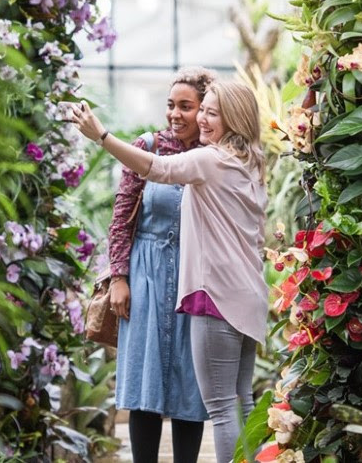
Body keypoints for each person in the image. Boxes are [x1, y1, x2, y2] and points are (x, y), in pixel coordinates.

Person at [71, 81, 269, 463]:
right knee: (241, 402)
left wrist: (102, 136)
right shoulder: (252, 162)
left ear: (234, 119)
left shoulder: (211, 160)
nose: (203, 120)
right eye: (204, 111)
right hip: (249, 296)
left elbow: (155, 168)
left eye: (212, 112)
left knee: (223, 408)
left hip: (217, 296)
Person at [107, 67, 217, 463]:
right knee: (144, 382)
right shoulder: (147, 146)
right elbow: (122, 217)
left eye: (186, 106)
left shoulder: (215, 155)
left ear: (206, 109)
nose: (176, 114)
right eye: (172, 105)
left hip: (194, 276)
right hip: (146, 272)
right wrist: (119, 277)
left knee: (192, 382)